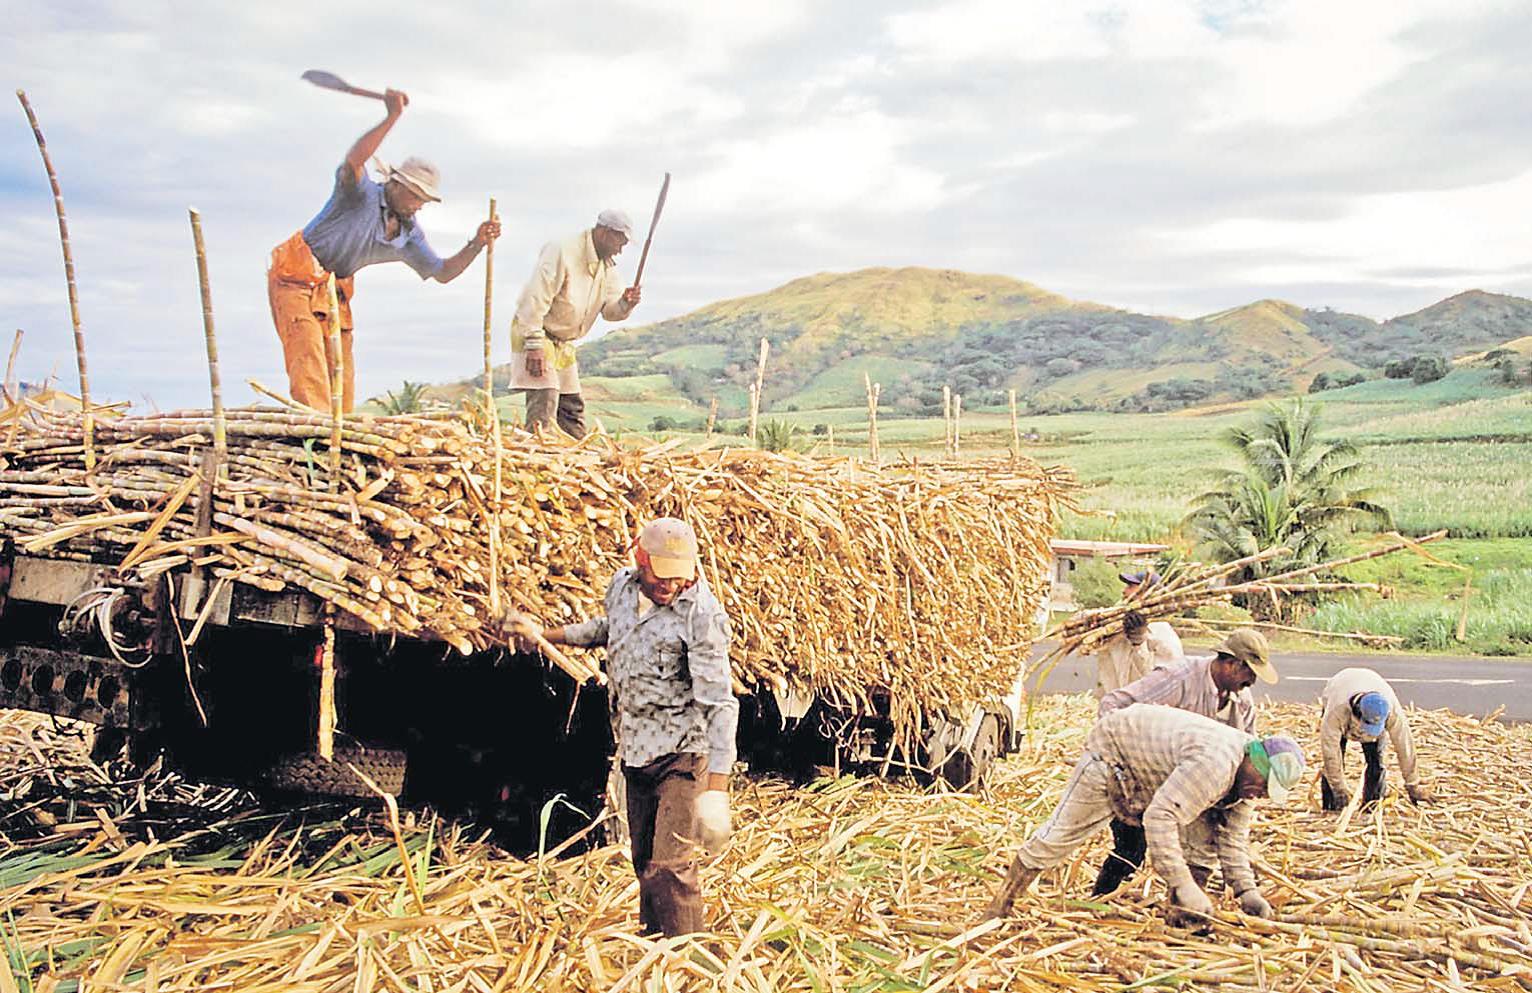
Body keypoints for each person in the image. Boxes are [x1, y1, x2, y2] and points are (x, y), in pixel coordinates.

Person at [504, 518, 737, 936]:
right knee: (644, 862)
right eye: (661, 574)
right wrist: (545, 635)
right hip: (635, 748)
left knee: (671, 866)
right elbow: (607, 629)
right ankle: (654, 947)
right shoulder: (622, 588)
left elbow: (719, 703)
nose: (670, 585)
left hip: (682, 753)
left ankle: (688, 958)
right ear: (640, 559)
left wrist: (717, 789)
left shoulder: (702, 615)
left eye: (679, 576)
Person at [268, 88, 500, 411]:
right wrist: (391, 117)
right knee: (309, 359)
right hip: (296, 276)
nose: (419, 205)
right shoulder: (358, 194)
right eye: (415, 195)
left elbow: (442, 272)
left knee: (340, 373)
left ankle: (339, 429)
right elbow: (353, 162)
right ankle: (315, 430)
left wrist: (476, 244)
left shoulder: (408, 234)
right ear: (395, 184)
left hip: (334, 290)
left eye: (424, 199)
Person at [984, 704, 1303, 927]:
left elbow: (1231, 841)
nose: (1261, 794)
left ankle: (1183, 919)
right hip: (1113, 754)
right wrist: (1183, 883)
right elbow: (1160, 818)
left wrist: (1247, 891)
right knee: (1059, 836)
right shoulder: (1215, 766)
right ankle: (1000, 906)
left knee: (1201, 847)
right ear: (1255, 762)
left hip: (1151, 773)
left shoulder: (1246, 786)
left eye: (1268, 792)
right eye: (1264, 784)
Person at [1090, 628, 1277, 895]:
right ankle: (1101, 899)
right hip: (1144, 773)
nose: (1253, 681)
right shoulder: (1179, 678)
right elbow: (1114, 704)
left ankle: (1184, 905)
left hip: (1197, 783)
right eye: (1250, 672)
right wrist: (1119, 761)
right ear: (1232, 663)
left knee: (1201, 852)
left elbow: (1250, 752)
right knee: (1131, 848)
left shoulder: (1242, 702)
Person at [508, 211, 643, 437]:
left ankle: (579, 452)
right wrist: (534, 344)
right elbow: (535, 297)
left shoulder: (606, 267)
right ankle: (539, 451)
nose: (620, 250)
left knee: (571, 408)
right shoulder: (562, 250)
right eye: (619, 242)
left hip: (563, 343)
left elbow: (610, 311)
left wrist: (625, 303)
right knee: (544, 399)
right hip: (537, 332)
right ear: (605, 233)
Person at [1318, 667, 1431, 810]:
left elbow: (1404, 745)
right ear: (1358, 712)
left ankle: (1371, 807)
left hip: (1371, 684)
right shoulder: (1336, 712)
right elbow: (1330, 753)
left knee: (1376, 762)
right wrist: (1338, 789)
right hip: (1340, 685)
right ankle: (1332, 808)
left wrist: (1412, 784)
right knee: (1334, 763)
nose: (1369, 735)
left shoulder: (1390, 709)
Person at [1094, 570, 1183, 698]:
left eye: (1130, 586)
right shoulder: (1118, 627)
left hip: (1143, 706)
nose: (1124, 591)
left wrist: (1139, 643)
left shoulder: (1162, 632)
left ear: (1148, 593)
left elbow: (1165, 680)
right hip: (1114, 703)